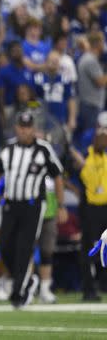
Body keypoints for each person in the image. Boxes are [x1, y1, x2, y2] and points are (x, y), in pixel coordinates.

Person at [0, 111, 66, 309]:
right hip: (10, 203)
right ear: (16, 127)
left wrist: (61, 205)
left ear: (34, 128)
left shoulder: (44, 149)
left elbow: (58, 176)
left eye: (28, 127)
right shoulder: (7, 148)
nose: (24, 130)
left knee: (24, 247)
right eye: (21, 126)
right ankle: (27, 282)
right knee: (4, 245)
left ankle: (18, 293)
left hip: (32, 205)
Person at [79, 127, 107, 301]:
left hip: (105, 208)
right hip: (90, 209)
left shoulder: (105, 157)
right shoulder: (83, 156)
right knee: (89, 250)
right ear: (94, 139)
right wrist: (76, 190)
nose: (103, 141)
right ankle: (88, 288)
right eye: (101, 137)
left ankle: (103, 284)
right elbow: (66, 176)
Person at [78, 33, 107, 134]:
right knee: (89, 136)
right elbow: (101, 82)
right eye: (102, 42)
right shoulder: (90, 60)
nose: (104, 44)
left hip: (90, 105)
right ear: (98, 44)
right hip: (90, 106)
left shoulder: (90, 58)